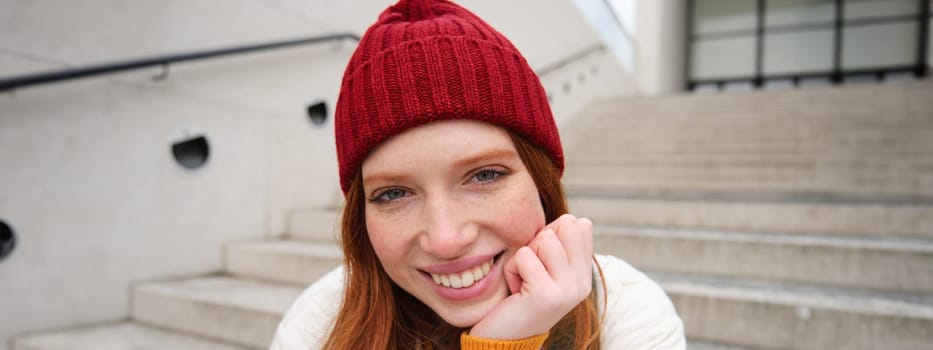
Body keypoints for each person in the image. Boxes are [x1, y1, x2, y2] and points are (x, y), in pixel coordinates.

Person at [271, 0, 685, 348]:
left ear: (541, 180)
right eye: (394, 193)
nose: (446, 239)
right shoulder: (321, 321)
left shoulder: (627, 314)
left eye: (485, 175)